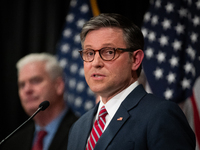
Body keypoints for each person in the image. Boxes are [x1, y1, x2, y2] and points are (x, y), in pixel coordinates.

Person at [67, 13, 196, 150]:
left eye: (109, 52)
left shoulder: (160, 115)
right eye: (89, 53)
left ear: (135, 60)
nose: (96, 63)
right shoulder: (78, 127)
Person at [0, 53, 78, 150]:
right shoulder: (12, 143)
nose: (27, 90)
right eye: (22, 85)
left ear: (59, 86)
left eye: (35, 81)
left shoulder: (83, 132)